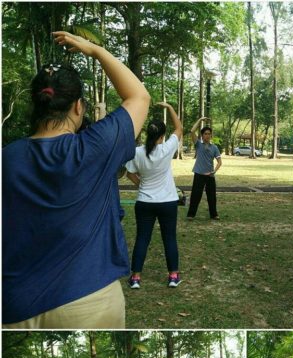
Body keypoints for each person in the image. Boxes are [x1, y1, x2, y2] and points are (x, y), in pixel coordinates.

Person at [2, 31, 150, 329]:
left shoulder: (7, 158)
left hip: (14, 305)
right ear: (79, 107)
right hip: (88, 300)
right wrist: (96, 51)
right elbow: (139, 96)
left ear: (37, 104)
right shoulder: (94, 148)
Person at [125, 103, 183, 289]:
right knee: (169, 238)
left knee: (142, 238)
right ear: (162, 136)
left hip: (144, 202)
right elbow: (180, 128)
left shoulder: (137, 152)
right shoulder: (167, 149)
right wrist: (169, 107)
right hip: (167, 202)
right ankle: (173, 276)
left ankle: (135, 278)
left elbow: (129, 173)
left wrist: (141, 184)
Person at [186, 117, 222, 220]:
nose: (207, 135)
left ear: (211, 135)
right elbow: (192, 131)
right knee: (195, 196)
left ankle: (214, 214)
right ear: (202, 136)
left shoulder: (214, 148)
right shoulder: (198, 145)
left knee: (212, 197)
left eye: (209, 134)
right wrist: (200, 120)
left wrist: (214, 171)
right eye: (205, 134)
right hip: (199, 175)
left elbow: (219, 162)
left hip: (210, 176)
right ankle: (191, 215)